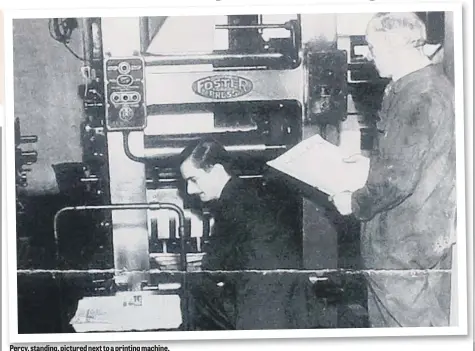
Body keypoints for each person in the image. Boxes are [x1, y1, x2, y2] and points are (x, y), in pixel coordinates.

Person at [330, 12, 456, 327]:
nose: (369, 56)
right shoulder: (428, 84)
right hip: (422, 235)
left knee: (407, 330)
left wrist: (354, 202)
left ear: (393, 44)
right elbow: (413, 161)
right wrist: (370, 165)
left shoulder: (418, 97)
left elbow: (397, 180)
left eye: (372, 47)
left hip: (399, 244)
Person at [179, 138, 326, 330]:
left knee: (193, 290)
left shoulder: (231, 205)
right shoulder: (247, 192)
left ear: (216, 170)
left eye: (193, 180)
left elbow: (213, 266)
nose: (190, 190)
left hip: (263, 305)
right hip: (292, 300)